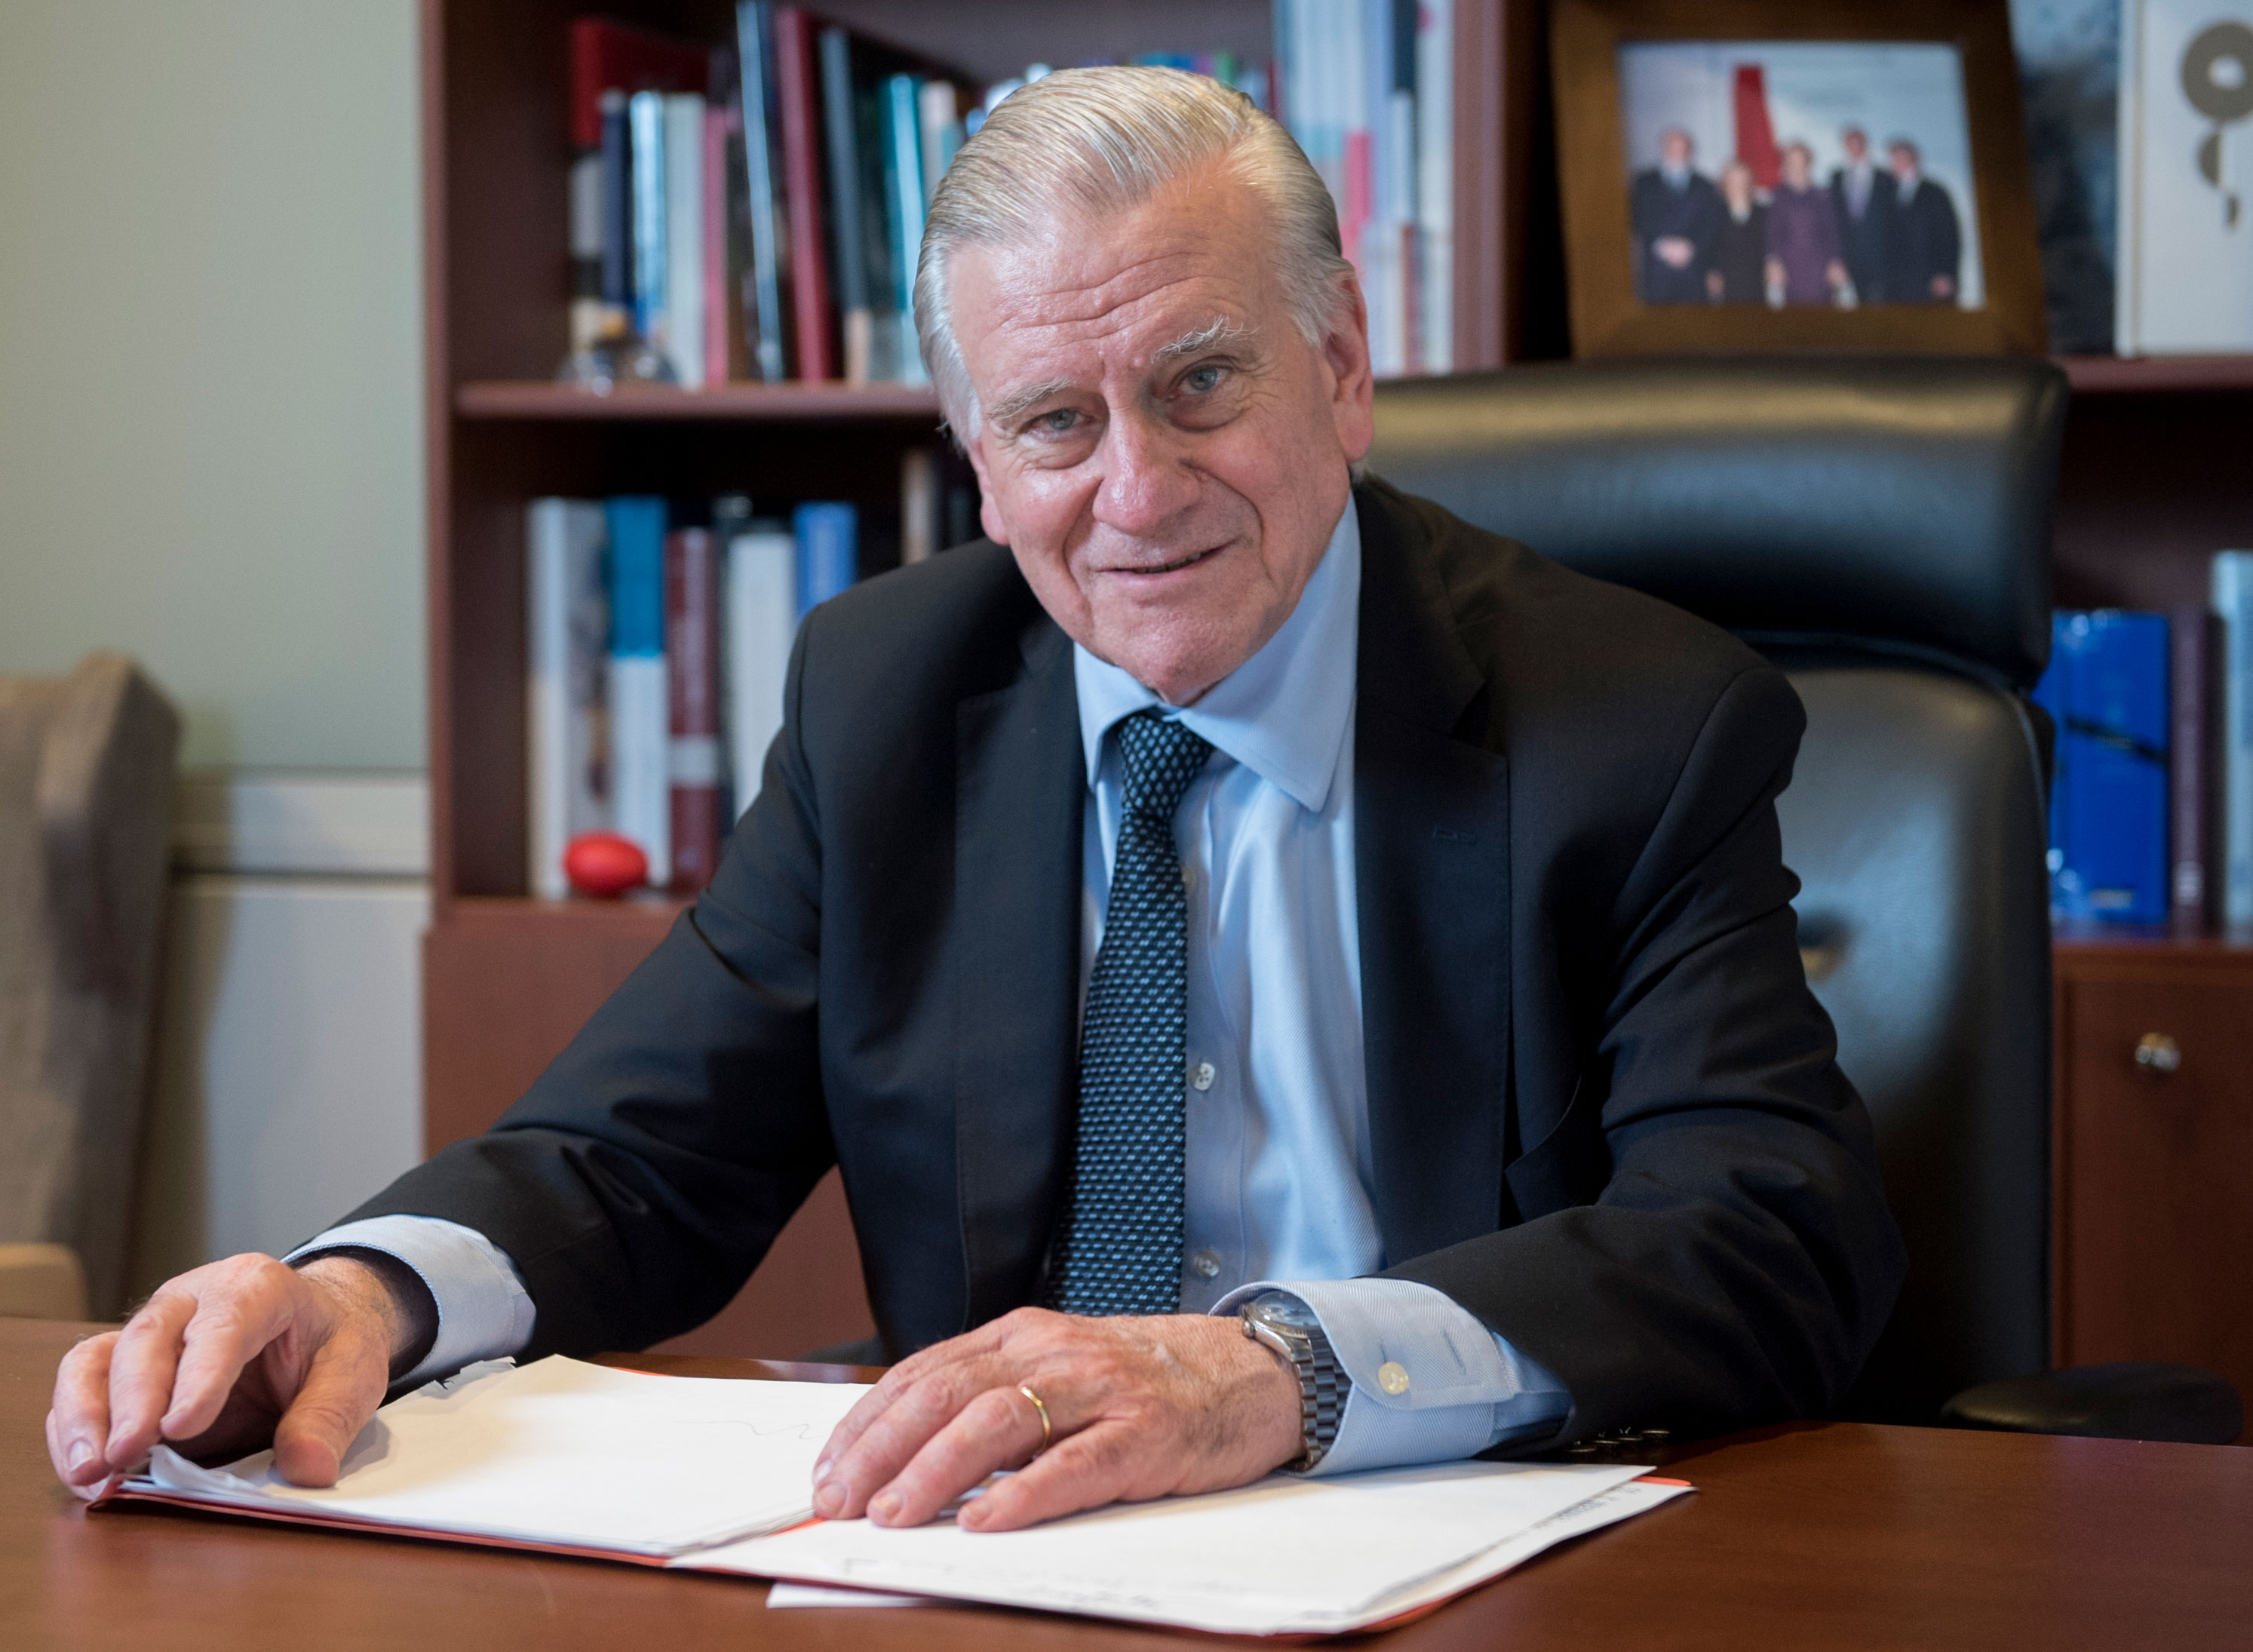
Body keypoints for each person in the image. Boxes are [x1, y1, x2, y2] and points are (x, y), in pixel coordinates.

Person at [49, 67, 1905, 1537]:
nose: (1136, 487)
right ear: (975, 460)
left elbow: (1764, 1233)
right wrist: (366, 1289)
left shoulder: (1635, 722)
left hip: (1442, 1539)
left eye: (1197, 382)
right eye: (1052, 421)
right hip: (1006, 1557)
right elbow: (637, 1153)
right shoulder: (887, 694)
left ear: (1338, 370)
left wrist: (1271, 1368)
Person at [1628, 127, 1724, 305]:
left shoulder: (1706, 186)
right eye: (1672, 146)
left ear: (1689, 151)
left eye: (1682, 147)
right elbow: (1635, 219)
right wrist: (1660, 246)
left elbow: (1713, 225)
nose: (1676, 152)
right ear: (1663, 148)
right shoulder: (1643, 182)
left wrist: (1692, 247)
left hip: (1693, 270)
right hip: (1657, 272)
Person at [1763, 141, 1848, 307]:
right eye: (1791, 162)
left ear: (1808, 164)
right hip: (1789, 270)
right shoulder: (1779, 196)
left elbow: (1832, 233)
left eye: (1800, 162)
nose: (1796, 167)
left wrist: (1835, 261)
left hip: (1819, 269)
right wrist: (1773, 260)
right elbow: (1773, 233)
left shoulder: (1823, 196)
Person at [1884, 139, 1962, 305]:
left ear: (1914, 159)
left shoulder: (1935, 192)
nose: (1896, 163)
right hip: (1898, 287)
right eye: (1893, 158)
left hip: (1931, 282)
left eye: (1901, 157)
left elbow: (1949, 234)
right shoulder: (1888, 194)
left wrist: (1945, 273)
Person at [1828, 126, 1895, 305]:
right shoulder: (1836, 176)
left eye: (1858, 143)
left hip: (1882, 259)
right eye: (1850, 143)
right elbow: (1833, 219)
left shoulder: (1885, 178)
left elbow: (1894, 221)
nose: (1854, 147)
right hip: (1849, 257)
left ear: (1866, 144)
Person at [1705, 160, 1769, 304]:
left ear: (1750, 184)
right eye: (1733, 182)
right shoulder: (1715, 214)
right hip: (1726, 287)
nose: (1738, 187)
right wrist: (1711, 271)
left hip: (1756, 285)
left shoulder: (1764, 213)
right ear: (1725, 185)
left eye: (1743, 181)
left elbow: (1772, 245)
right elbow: (1708, 246)